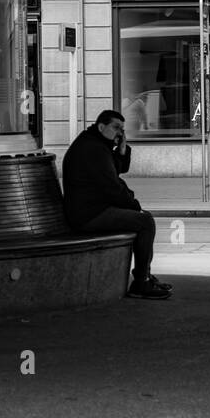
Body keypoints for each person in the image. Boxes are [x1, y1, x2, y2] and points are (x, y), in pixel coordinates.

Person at [62, 109, 172, 300]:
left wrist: (122, 149)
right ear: (101, 126)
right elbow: (112, 187)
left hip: (91, 209)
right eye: (116, 127)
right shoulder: (93, 149)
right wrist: (134, 205)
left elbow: (117, 170)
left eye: (122, 128)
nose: (120, 132)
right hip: (89, 215)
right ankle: (141, 283)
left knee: (142, 219)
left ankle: (144, 276)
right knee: (146, 222)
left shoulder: (95, 144)